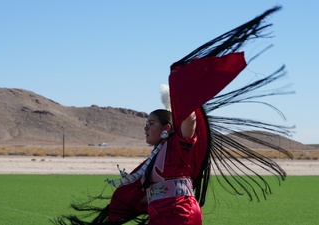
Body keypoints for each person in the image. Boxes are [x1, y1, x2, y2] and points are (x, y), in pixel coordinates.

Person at [55, 6, 293, 225]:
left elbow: (189, 118)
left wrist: (180, 88)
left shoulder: (179, 145)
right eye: (145, 124)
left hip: (179, 211)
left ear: (167, 127)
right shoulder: (155, 157)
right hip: (165, 211)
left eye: (151, 123)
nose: (146, 128)